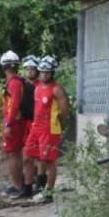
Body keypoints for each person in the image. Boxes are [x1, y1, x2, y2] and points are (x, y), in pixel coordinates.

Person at [28, 55, 69, 203]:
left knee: (49, 161)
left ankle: (48, 192)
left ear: (52, 73)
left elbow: (65, 110)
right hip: (37, 127)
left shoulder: (57, 89)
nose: (44, 75)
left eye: (47, 72)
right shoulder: (37, 88)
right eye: (42, 72)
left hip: (50, 129)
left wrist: (60, 124)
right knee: (36, 157)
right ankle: (39, 186)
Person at [0, 51, 26, 197]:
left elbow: (15, 105)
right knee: (14, 154)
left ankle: (17, 185)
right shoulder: (13, 82)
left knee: (14, 154)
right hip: (13, 122)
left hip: (14, 124)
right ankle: (17, 183)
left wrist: (8, 124)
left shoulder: (14, 83)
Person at [16, 55, 40, 198]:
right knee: (27, 157)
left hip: (37, 124)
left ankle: (39, 185)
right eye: (27, 69)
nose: (30, 71)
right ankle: (27, 187)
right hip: (25, 124)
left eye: (33, 69)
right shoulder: (21, 85)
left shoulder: (40, 86)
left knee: (38, 157)